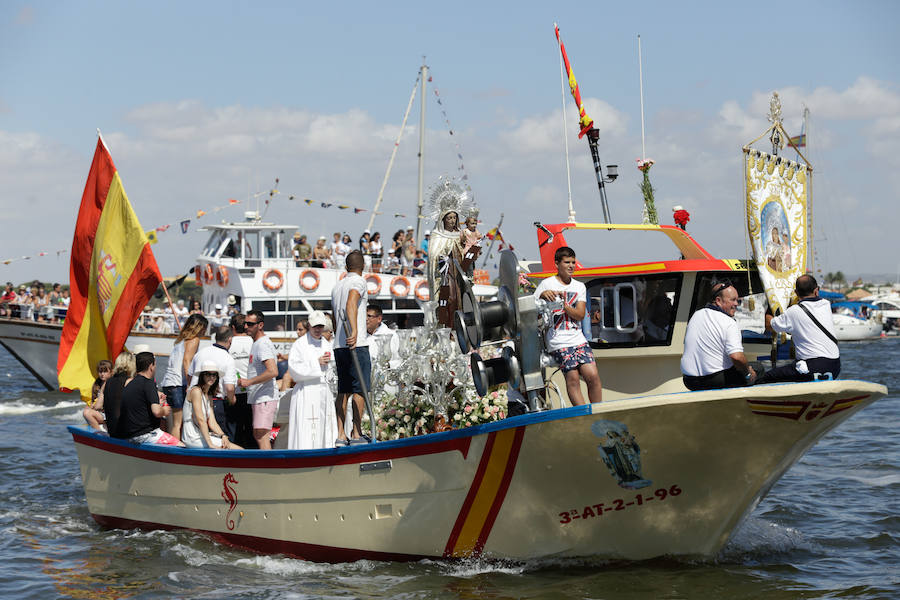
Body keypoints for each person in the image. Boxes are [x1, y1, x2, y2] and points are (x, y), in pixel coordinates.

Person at [534, 246, 603, 405]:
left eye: (573, 262)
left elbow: (580, 314)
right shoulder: (546, 284)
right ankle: (583, 415)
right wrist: (542, 296)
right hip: (558, 341)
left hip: (578, 339)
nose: (571, 266)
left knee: (592, 376)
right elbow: (531, 312)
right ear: (557, 264)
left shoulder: (579, 286)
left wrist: (563, 305)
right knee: (572, 378)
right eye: (567, 262)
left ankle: (598, 411)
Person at [756, 274, 840, 384]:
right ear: (816, 291)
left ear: (796, 293)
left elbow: (769, 325)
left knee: (767, 377)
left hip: (811, 368)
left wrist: (770, 302)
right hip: (835, 366)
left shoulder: (793, 312)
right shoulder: (826, 304)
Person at [681, 280, 757, 390]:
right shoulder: (729, 322)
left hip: (689, 381)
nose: (736, 304)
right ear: (718, 301)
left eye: (737, 300)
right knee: (758, 369)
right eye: (733, 300)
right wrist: (748, 373)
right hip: (714, 380)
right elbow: (737, 357)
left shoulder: (696, 315)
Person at [331, 250, 371, 446]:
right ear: (363, 266)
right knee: (359, 389)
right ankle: (356, 433)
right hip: (356, 342)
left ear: (346, 267)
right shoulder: (359, 281)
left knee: (343, 390)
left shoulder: (337, 286)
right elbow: (351, 302)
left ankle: (341, 434)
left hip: (339, 344)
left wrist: (339, 334)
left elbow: (333, 316)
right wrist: (354, 331)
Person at [286, 311, 336, 449]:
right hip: (306, 391)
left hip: (324, 391)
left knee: (324, 426)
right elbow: (294, 369)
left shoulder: (327, 344)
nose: (318, 329)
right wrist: (316, 363)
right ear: (309, 325)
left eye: (321, 326)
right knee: (307, 428)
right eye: (315, 326)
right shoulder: (300, 344)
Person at [114, 351, 182, 446]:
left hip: (130, 435)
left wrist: (158, 403)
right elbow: (157, 412)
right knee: (180, 446)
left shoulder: (130, 384)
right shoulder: (149, 383)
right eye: (155, 365)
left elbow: (139, 408)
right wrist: (164, 410)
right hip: (146, 435)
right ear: (151, 366)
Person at [160, 313, 208, 441]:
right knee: (178, 423)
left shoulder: (180, 341)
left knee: (174, 422)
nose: (205, 331)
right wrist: (190, 384)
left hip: (169, 383)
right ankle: (176, 447)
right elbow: (187, 361)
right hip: (177, 383)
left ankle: (172, 443)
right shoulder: (194, 340)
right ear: (200, 327)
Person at [238, 310, 278, 450]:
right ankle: (267, 461)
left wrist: (249, 382)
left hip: (265, 397)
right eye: (245, 323)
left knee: (261, 434)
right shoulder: (257, 343)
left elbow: (273, 371)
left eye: (250, 324)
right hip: (259, 397)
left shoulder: (262, 344)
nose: (246, 327)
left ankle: (268, 462)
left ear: (260, 325)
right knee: (258, 434)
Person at [187, 325, 238, 434]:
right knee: (216, 437)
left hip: (194, 399)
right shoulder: (228, 358)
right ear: (230, 340)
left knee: (196, 435)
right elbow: (229, 388)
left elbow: (190, 376)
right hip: (214, 402)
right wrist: (232, 400)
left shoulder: (200, 353)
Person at [182, 361, 243, 449]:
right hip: (192, 436)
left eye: (214, 375)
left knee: (231, 446)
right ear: (202, 376)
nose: (211, 377)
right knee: (238, 450)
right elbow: (200, 420)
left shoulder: (209, 395)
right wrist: (210, 444)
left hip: (201, 435)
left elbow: (212, 421)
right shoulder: (196, 391)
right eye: (208, 374)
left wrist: (223, 435)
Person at [227, 313, 255, 448]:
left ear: (233, 327)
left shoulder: (228, 343)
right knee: (250, 428)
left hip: (232, 392)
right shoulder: (253, 342)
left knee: (233, 430)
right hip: (252, 391)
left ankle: (234, 454)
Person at [96, 350, 136, 437]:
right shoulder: (130, 381)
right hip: (126, 431)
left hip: (112, 430)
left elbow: (97, 406)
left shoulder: (107, 382)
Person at [82, 359, 113, 430]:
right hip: (99, 412)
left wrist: (95, 407)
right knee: (86, 409)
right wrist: (91, 405)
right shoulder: (97, 383)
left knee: (87, 413)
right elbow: (94, 399)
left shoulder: (112, 384)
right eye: (100, 371)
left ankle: (99, 432)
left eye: (105, 371)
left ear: (111, 372)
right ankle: (96, 428)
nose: (102, 374)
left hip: (107, 414)